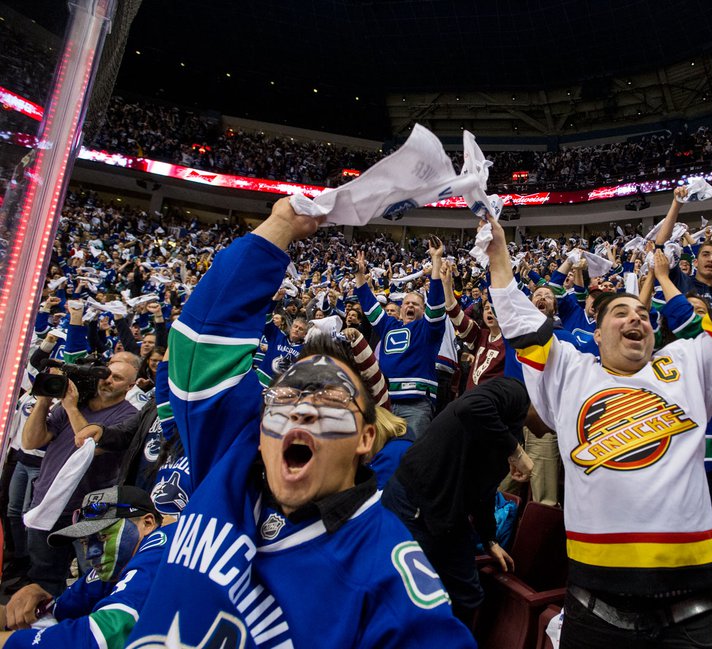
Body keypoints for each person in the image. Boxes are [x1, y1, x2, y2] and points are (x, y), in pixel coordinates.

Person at [125, 198, 472, 649]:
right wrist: (281, 225)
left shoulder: (387, 574)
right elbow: (200, 348)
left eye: (330, 398)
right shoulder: (229, 460)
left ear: (367, 437)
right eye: (287, 395)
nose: (302, 408)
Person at [486, 210, 712, 648]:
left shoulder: (686, 364)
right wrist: (499, 252)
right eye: (620, 312)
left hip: (691, 612)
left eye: (642, 313)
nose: (635, 318)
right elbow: (517, 315)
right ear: (595, 335)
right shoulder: (570, 373)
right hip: (593, 606)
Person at [382, 377, 533, 626]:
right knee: (409, 597)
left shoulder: (513, 431)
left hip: (448, 512)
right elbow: (468, 407)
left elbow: (483, 490)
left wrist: (489, 539)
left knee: (467, 595)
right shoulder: (515, 391)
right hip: (415, 499)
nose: (551, 431)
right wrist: (515, 452)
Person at [20, 357, 139, 596]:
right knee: (44, 577)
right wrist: (44, 400)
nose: (107, 380)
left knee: (92, 579)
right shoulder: (77, 404)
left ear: (130, 386)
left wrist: (72, 408)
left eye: (117, 378)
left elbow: (91, 447)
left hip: (89, 511)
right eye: (106, 374)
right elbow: (31, 441)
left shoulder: (130, 416)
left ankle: (84, 629)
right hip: (47, 501)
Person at [0, 486, 167, 648]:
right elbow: (55, 612)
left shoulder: (159, 547)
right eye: (85, 542)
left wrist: (10, 642)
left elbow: (104, 636)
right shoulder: (116, 565)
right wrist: (37, 600)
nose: (91, 553)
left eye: (103, 537)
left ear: (148, 523)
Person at [354, 239, 446, 437]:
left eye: (416, 304)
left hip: (415, 405)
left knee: (408, 457)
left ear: (424, 310)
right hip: (384, 403)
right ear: (401, 308)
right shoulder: (389, 325)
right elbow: (370, 307)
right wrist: (359, 276)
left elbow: (438, 302)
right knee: (378, 457)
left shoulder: (429, 328)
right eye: (406, 303)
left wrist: (436, 260)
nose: (410, 306)